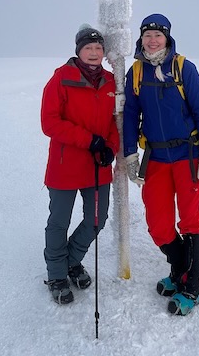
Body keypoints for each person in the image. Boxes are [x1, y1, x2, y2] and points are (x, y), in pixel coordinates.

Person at [123, 13, 199, 316]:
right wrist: (130, 154)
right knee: (159, 225)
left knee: (190, 221)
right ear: (141, 39)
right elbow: (129, 116)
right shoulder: (136, 72)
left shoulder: (183, 68)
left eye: (158, 35)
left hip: (188, 156)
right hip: (156, 158)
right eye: (147, 35)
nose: (152, 41)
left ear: (167, 38)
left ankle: (193, 285)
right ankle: (180, 269)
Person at [41, 24, 119, 305]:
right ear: (79, 51)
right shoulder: (61, 79)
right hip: (65, 166)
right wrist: (90, 141)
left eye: (98, 48)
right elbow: (50, 123)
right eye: (89, 48)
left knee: (97, 220)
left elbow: (116, 122)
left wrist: (110, 147)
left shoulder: (111, 82)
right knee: (59, 222)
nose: (94, 52)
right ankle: (57, 275)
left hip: (97, 166)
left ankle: (71, 261)